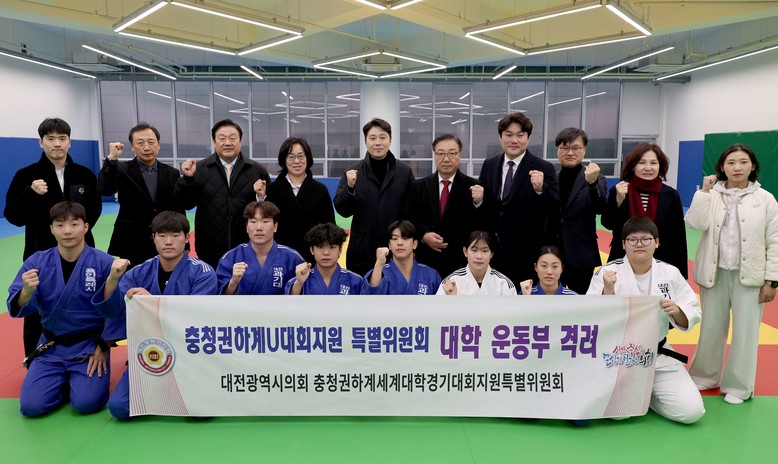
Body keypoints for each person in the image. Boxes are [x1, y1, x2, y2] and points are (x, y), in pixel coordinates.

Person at [6, 202, 128, 417]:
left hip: (89, 347)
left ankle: (74, 383)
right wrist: (26, 291)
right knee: (31, 407)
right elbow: (17, 306)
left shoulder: (104, 263)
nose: (67, 231)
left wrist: (103, 345)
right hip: (51, 347)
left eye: (74, 224)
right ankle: (63, 382)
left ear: (86, 227)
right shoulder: (37, 262)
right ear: (51, 229)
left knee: (87, 404)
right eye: (60, 225)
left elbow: (117, 312)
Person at [93, 211, 218, 420]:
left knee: (201, 413)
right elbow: (115, 310)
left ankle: (179, 388)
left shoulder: (203, 272)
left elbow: (196, 315)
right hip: (150, 353)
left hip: (189, 355)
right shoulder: (138, 272)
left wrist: (152, 302)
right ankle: (161, 388)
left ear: (187, 238)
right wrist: (113, 279)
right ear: (153, 238)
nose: (168, 241)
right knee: (120, 408)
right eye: (162, 235)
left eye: (175, 235)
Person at [587, 217, 705, 424]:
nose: (639, 244)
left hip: (658, 352)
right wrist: (607, 291)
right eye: (632, 240)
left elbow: (692, 309)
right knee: (619, 414)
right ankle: (641, 395)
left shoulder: (670, 273)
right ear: (623, 244)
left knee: (691, 412)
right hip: (620, 355)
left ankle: (648, 397)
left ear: (657, 242)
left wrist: (677, 311)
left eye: (645, 239)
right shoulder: (608, 273)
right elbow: (590, 315)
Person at [686, 144, 778, 405]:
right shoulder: (711, 194)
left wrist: (772, 281)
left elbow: (775, 240)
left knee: (746, 333)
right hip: (714, 273)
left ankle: (739, 386)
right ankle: (704, 376)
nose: (737, 167)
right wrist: (704, 192)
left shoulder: (766, 199)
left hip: (749, 276)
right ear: (722, 167)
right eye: (731, 162)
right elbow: (695, 223)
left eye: (743, 162)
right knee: (711, 327)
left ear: (753, 166)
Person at [4, 117, 102, 359]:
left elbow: (95, 209)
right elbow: (13, 216)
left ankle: (88, 355)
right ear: (41, 142)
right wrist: (30, 193)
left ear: (70, 142)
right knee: (37, 307)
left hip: (81, 252)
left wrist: (75, 236)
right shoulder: (26, 175)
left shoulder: (84, 174)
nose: (56, 143)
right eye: (50, 138)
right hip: (40, 253)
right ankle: (35, 359)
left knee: (86, 302)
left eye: (62, 138)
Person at [174, 119, 271, 269]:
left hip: (248, 247)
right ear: (214, 142)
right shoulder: (199, 169)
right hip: (209, 248)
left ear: (240, 141)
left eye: (232, 138)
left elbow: (270, 210)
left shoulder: (257, 171)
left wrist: (261, 197)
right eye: (222, 138)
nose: (228, 143)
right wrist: (187, 179)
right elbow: (184, 203)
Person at [478, 112, 560, 285]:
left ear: (528, 138)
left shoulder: (543, 167)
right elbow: (488, 207)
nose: (514, 140)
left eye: (520, 135)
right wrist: (478, 202)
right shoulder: (489, 165)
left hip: (527, 253)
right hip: (494, 252)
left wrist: (540, 189)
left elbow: (555, 206)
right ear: (500, 137)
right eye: (508, 135)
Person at [334, 118, 415, 276]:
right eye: (372, 138)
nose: (378, 142)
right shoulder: (353, 172)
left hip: (395, 252)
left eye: (382, 137)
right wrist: (349, 188)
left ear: (390, 140)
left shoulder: (404, 173)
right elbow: (343, 211)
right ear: (365, 141)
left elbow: (411, 213)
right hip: (361, 251)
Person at [98, 122, 181, 267]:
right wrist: (111, 158)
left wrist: (184, 242)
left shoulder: (172, 173)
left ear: (159, 144)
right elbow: (105, 189)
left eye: (151, 142)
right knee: (132, 278)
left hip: (164, 238)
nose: (146, 147)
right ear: (132, 146)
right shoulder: (122, 169)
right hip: (131, 239)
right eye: (140, 143)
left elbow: (178, 209)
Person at [601, 143, 688, 279]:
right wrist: (618, 201)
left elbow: (679, 237)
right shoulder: (620, 190)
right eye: (642, 163)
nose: (648, 168)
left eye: (653, 163)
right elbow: (607, 223)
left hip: (661, 261)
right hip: (623, 259)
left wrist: (681, 274)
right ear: (633, 166)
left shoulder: (671, 195)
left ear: (660, 166)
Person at [407, 134, 488, 278]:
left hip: (460, 263)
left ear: (459, 155)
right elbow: (409, 217)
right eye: (441, 153)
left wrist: (479, 203)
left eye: (452, 153)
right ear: (435, 156)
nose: (446, 159)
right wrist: (423, 235)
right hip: (426, 261)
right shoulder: (419, 186)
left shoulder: (474, 187)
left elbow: (483, 224)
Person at [553, 128, 607, 294]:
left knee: (582, 302)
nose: (570, 152)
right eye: (565, 148)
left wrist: (592, 183)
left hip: (582, 254)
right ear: (558, 150)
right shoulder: (550, 178)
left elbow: (601, 208)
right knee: (550, 301)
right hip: (552, 254)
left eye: (575, 148)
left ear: (584, 150)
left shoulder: (596, 178)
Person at [264, 136, 335, 263]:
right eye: (291, 157)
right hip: (279, 258)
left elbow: (329, 227)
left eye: (301, 156)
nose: (296, 161)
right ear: (284, 160)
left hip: (311, 258)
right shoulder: (272, 190)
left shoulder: (320, 190)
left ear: (308, 158)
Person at [217, 201, 304, 295]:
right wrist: (233, 282)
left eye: (265, 221)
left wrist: (298, 283)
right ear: (247, 227)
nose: (259, 227)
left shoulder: (292, 258)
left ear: (275, 226)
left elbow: (303, 298)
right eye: (253, 222)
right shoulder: (231, 257)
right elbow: (219, 298)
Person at [363, 220, 441, 295]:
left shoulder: (431, 275)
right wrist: (379, 264)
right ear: (389, 245)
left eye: (405, 238)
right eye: (395, 238)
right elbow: (369, 299)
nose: (399, 243)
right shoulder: (379, 272)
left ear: (414, 244)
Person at [285, 223, 363, 295]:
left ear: (340, 250)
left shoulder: (355, 281)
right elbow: (289, 304)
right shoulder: (299, 281)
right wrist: (299, 283)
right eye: (320, 247)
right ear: (312, 250)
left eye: (332, 247)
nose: (326, 253)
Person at [438, 230, 516, 296]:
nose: (479, 256)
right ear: (465, 251)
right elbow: (437, 308)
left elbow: (513, 309)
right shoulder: (451, 281)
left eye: (484, 251)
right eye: (474, 250)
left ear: (491, 254)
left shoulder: (504, 283)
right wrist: (451, 299)